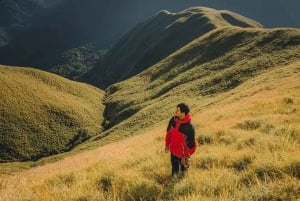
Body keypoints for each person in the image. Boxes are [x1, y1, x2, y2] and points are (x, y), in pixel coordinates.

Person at [165, 103, 197, 177]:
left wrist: (186, 157)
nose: (176, 112)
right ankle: (173, 182)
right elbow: (168, 133)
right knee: (174, 170)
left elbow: (191, 144)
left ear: (183, 113)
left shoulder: (189, 127)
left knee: (184, 173)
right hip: (173, 151)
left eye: (178, 110)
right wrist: (167, 145)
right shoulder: (173, 120)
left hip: (183, 155)